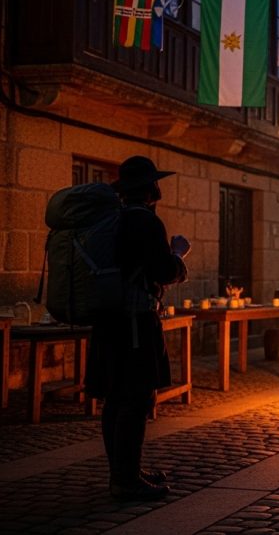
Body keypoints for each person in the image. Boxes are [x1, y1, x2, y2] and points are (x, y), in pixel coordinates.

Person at [85, 156, 190, 501]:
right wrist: (177, 256)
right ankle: (125, 480)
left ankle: (123, 471)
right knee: (136, 397)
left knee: (115, 398)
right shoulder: (145, 222)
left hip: (107, 320)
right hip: (134, 322)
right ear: (151, 189)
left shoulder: (112, 219)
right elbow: (163, 271)